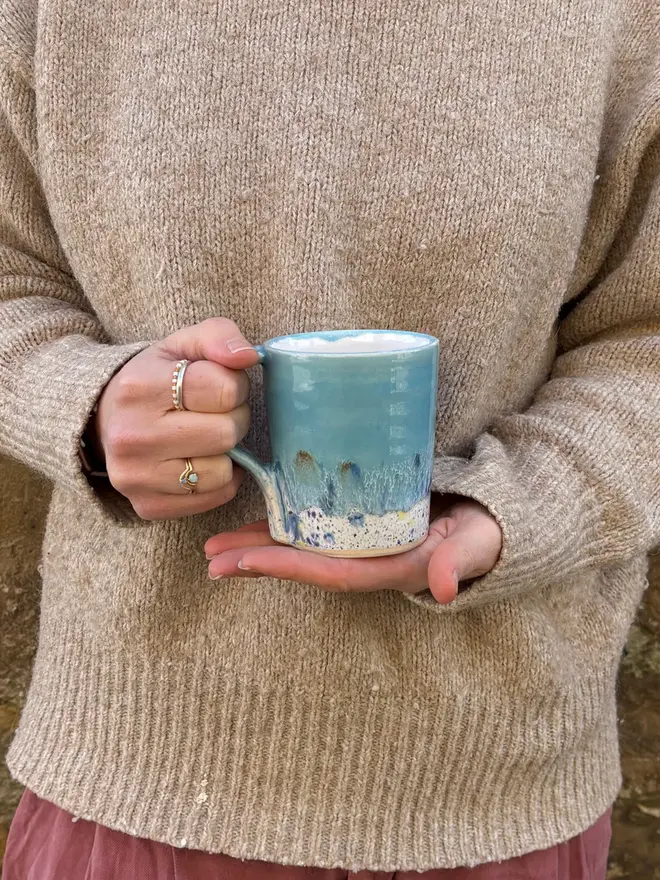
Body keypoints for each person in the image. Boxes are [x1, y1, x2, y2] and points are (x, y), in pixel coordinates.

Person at [1, 0, 658, 877]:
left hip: (497, 781)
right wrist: (84, 406)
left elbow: (643, 337)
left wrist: (514, 509)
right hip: (141, 764)